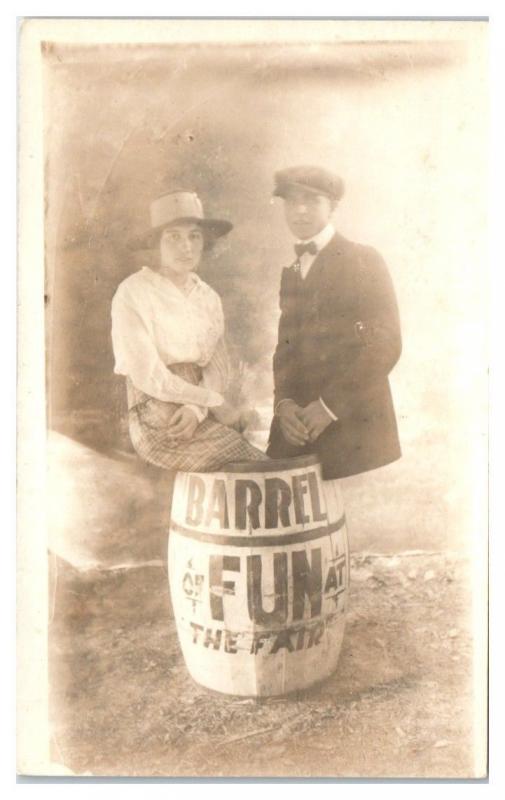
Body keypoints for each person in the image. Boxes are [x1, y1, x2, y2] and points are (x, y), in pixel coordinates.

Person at [111, 189, 267, 472]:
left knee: (264, 456)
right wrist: (207, 402)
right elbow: (148, 374)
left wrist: (197, 409)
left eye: (194, 236)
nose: (186, 247)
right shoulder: (133, 291)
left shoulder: (209, 297)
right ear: (156, 242)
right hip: (156, 415)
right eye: (174, 236)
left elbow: (217, 367)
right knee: (255, 466)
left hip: (200, 410)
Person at [267, 165, 402, 480]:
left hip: (354, 433)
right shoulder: (291, 271)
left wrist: (328, 407)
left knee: (341, 524)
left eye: (312, 200)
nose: (299, 210)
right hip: (300, 431)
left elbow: (386, 345)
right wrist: (283, 404)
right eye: (291, 201)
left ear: (333, 206)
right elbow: (285, 350)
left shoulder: (364, 260)